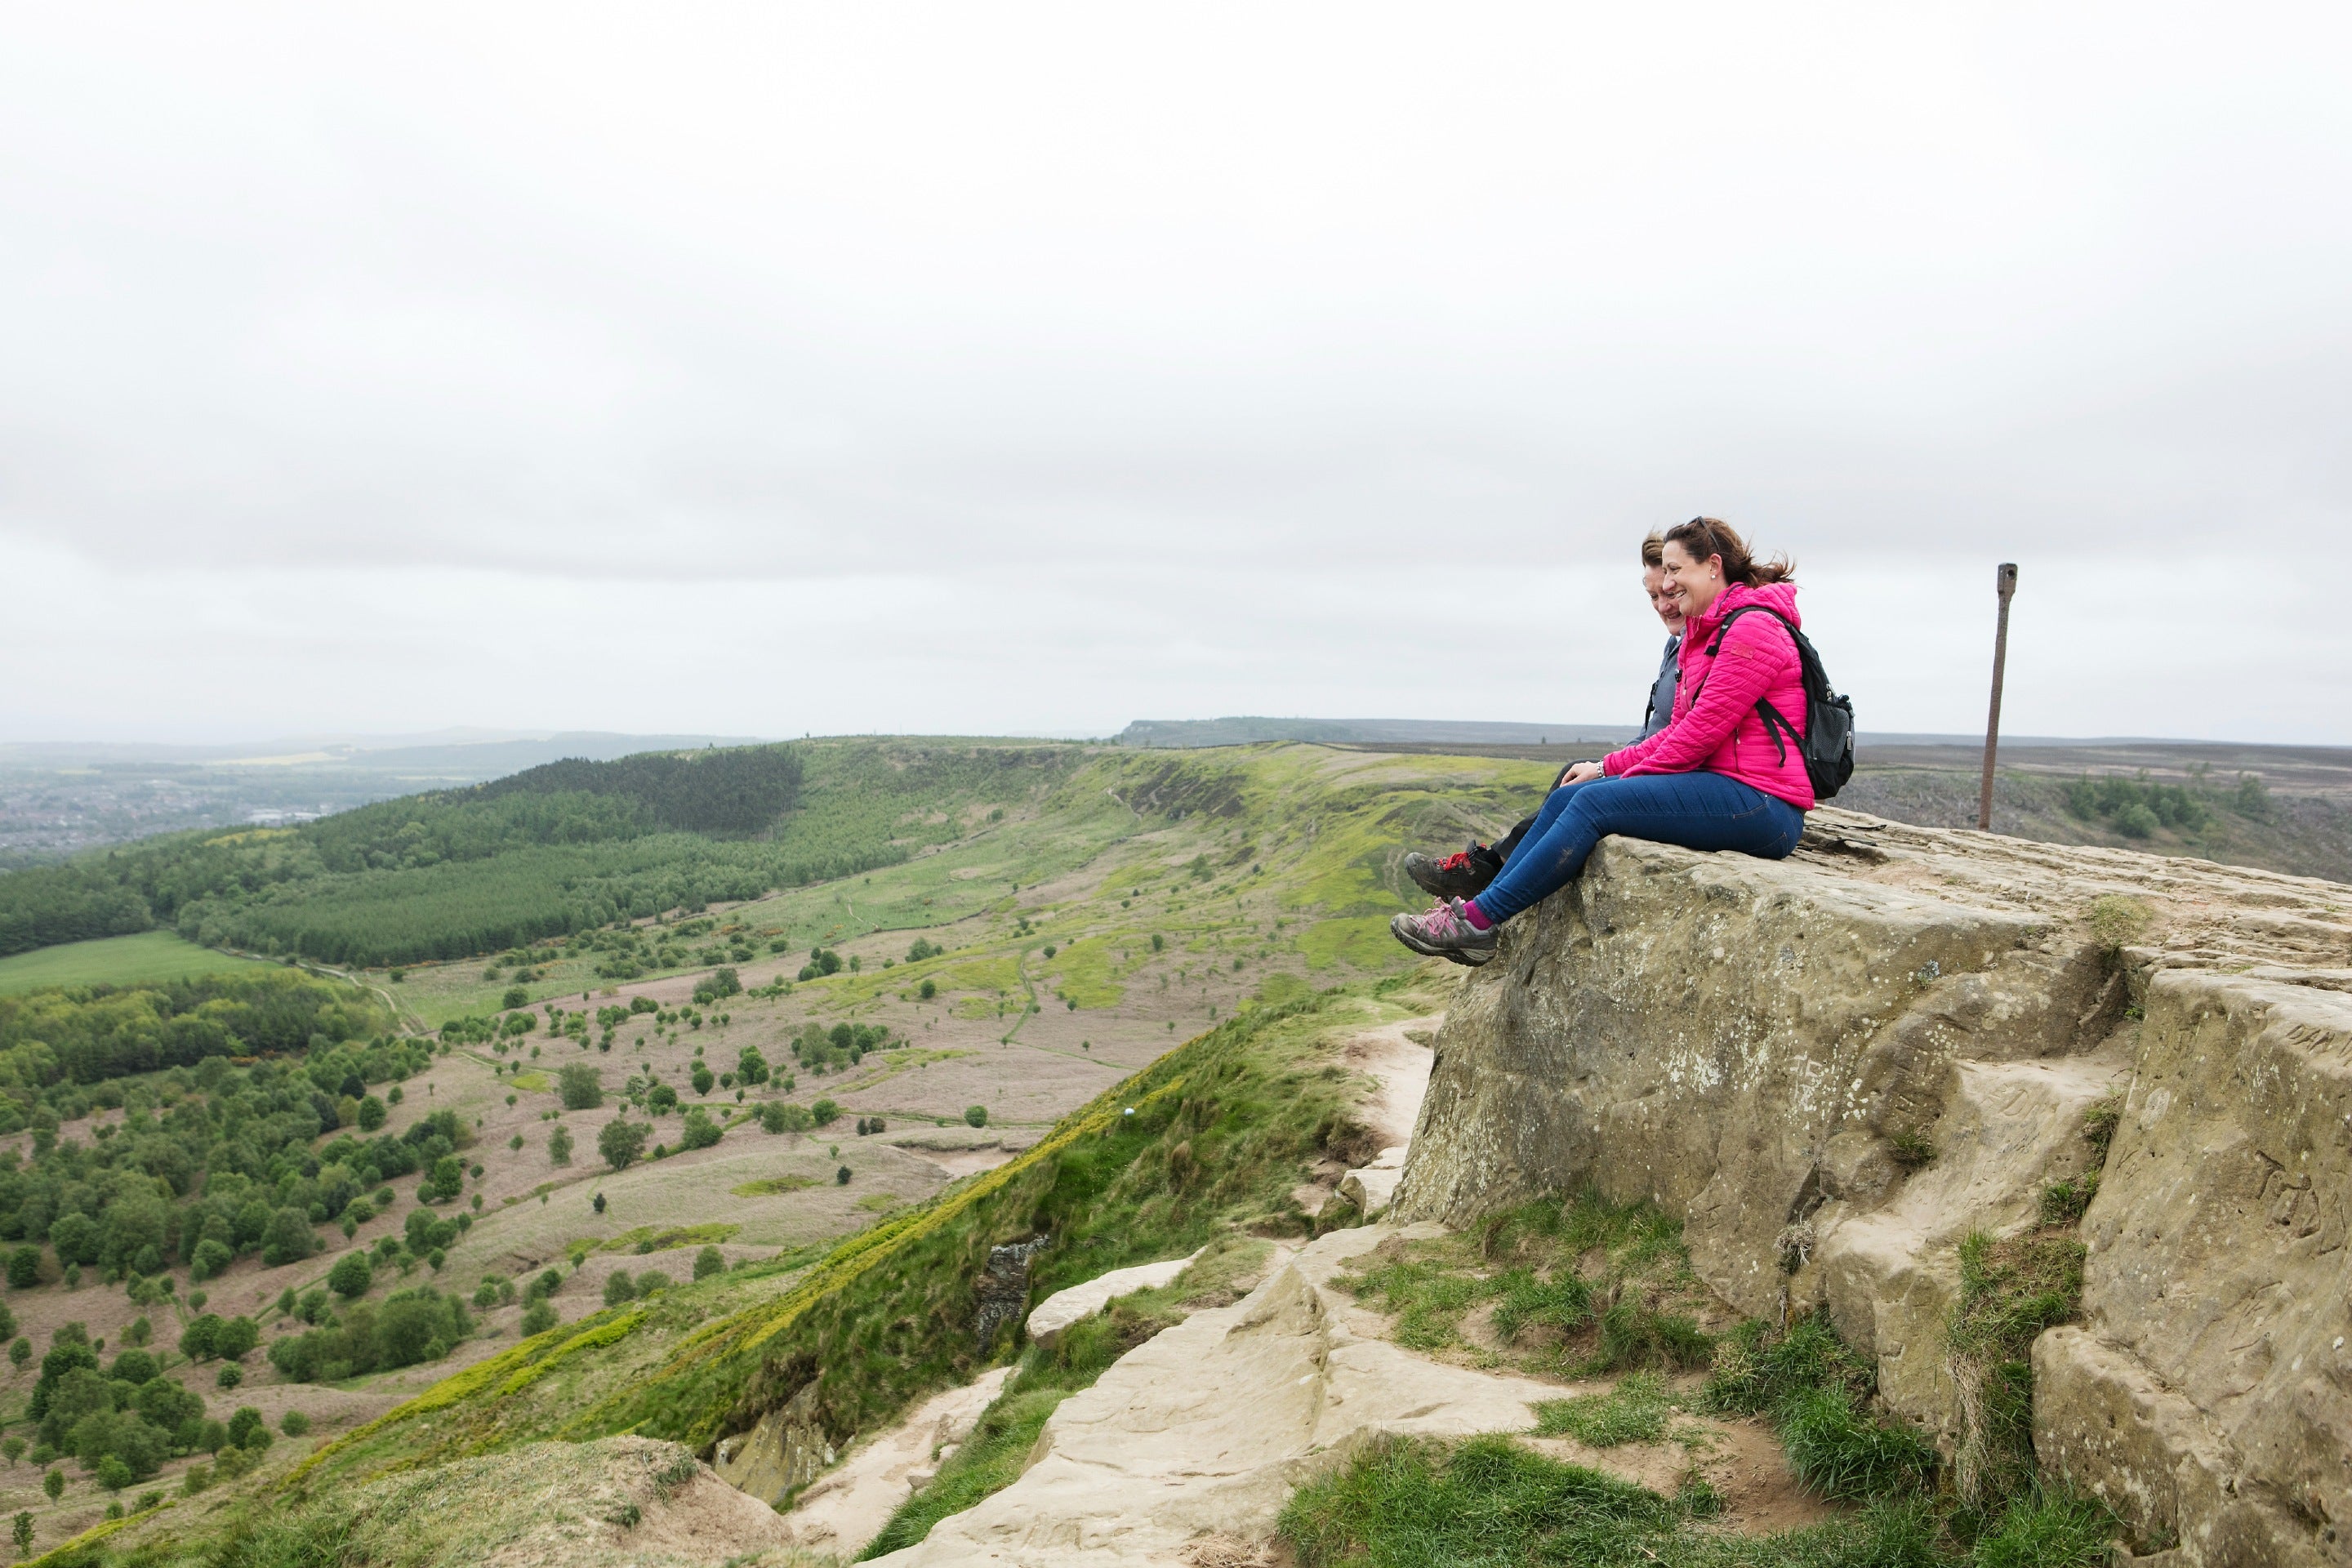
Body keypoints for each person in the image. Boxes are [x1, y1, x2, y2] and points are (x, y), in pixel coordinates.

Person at [1392, 516, 1814, 966]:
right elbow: (1677, 731)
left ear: (1713, 566)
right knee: (1568, 798)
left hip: (1762, 805)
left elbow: (1695, 737)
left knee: (1594, 804)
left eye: (1675, 571)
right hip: (1728, 789)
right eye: (1663, 574)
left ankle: (1477, 922)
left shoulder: (1751, 629)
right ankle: (1475, 916)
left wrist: (1615, 780)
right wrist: (1606, 769)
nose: (1667, 584)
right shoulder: (1707, 631)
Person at [1405, 532, 1685, 902]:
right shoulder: (1676, 646)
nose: (1663, 604)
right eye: (1653, 595)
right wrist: (1606, 764)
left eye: (1670, 592)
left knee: (1582, 792)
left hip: (1673, 774)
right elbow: (1656, 731)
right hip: (1655, 764)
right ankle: (1492, 867)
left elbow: (1684, 735)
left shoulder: (1706, 647)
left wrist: (1608, 768)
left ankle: (1490, 880)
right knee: (1574, 770)